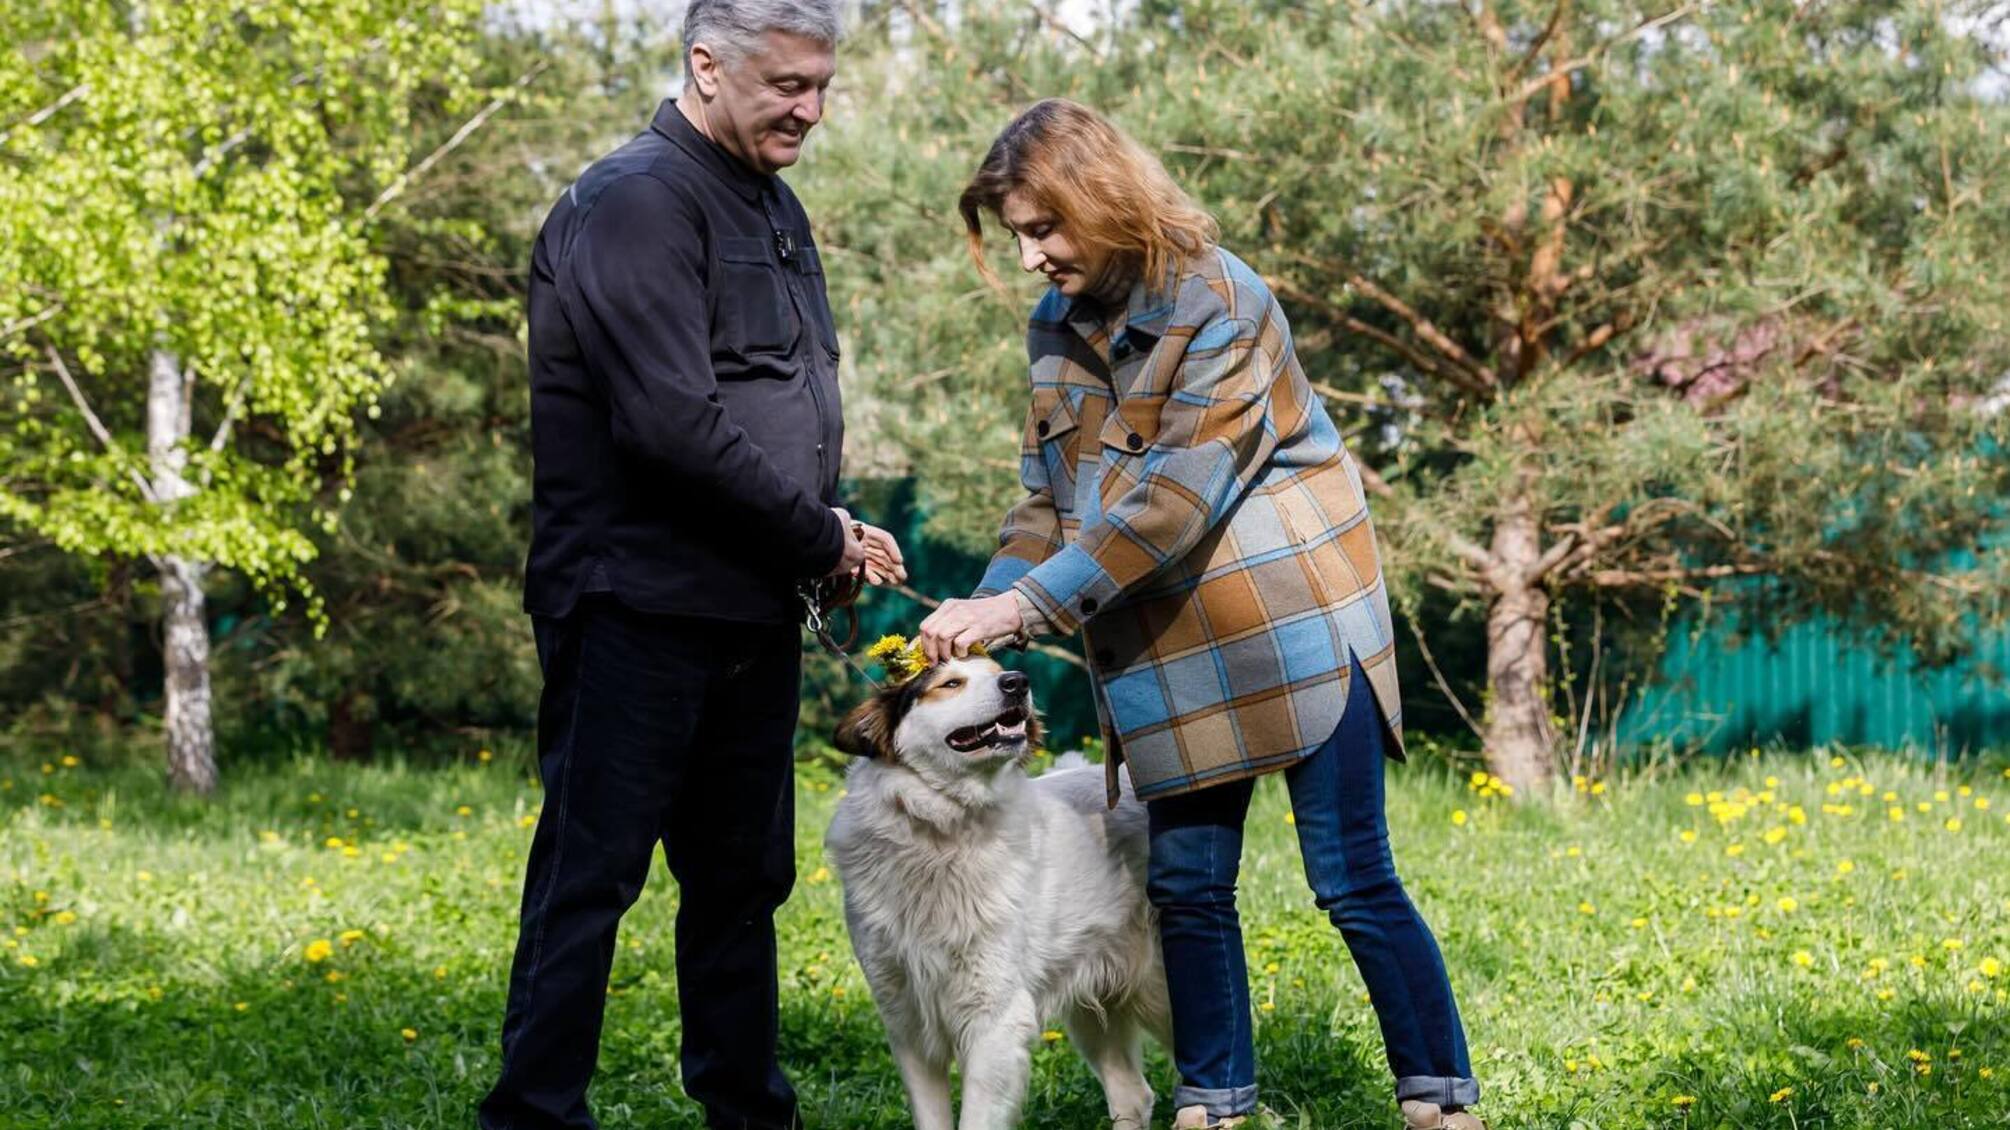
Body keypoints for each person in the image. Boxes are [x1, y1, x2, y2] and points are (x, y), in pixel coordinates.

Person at [918, 100, 1485, 1130]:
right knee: (1185, 882)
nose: (1033, 256)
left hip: (1295, 619)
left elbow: (1171, 504)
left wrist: (1022, 607)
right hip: (1170, 635)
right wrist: (990, 597)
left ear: (1101, 198)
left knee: (1351, 877)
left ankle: (1440, 1097)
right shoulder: (1055, 324)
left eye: (1045, 228)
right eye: (1017, 236)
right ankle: (1212, 1103)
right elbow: (1049, 497)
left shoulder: (1223, 301)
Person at [481, 3, 904, 1128]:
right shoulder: (632, 202)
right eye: (788, 85)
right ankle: (533, 1114)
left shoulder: (769, 201)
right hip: (632, 604)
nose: (812, 110)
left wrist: (822, 532)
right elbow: (671, 425)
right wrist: (819, 535)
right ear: (707, 66)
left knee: (741, 883)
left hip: (748, 608)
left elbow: (771, 402)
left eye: (823, 85)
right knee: (589, 879)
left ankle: (748, 1112)